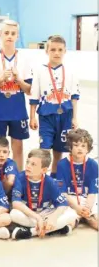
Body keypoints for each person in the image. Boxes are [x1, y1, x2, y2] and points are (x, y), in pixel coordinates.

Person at [29, 35, 80, 179]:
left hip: (66, 114)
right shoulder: (39, 70)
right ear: (47, 51)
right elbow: (34, 96)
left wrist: (75, 117)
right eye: (53, 49)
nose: (56, 53)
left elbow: (75, 96)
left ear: (65, 51)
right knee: (44, 148)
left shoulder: (70, 71)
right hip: (46, 115)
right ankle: (40, 176)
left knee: (59, 149)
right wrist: (32, 117)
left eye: (60, 50)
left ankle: (55, 176)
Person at [0, 20, 32, 171]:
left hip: (18, 110)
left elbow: (29, 90)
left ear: (17, 36)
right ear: (0, 34)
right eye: (6, 33)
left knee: (17, 146)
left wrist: (18, 79)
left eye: (13, 33)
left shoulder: (24, 59)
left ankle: (18, 178)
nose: (9, 36)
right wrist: (0, 79)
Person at [10, 149, 78, 240]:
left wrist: (53, 218)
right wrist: (37, 218)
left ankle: (31, 232)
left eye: (33, 164)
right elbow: (16, 203)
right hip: (29, 214)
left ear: (44, 170)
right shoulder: (20, 177)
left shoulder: (50, 181)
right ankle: (53, 229)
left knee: (72, 213)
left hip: (45, 213)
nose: (28, 166)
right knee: (13, 214)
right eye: (27, 162)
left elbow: (63, 203)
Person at [56, 129, 98, 230]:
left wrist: (87, 208)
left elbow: (93, 192)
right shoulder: (62, 164)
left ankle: (87, 217)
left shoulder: (93, 164)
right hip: (70, 200)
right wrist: (77, 208)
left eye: (83, 146)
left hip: (87, 199)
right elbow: (63, 193)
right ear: (70, 147)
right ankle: (73, 223)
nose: (80, 148)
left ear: (88, 149)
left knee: (95, 219)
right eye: (76, 145)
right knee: (70, 220)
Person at [0, 136, 18, 200]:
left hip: (6, 195)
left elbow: (10, 182)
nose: (2, 155)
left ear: (9, 153)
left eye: (5, 152)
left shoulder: (10, 163)